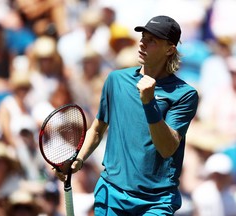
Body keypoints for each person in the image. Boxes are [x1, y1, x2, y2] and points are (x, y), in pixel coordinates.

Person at [56, 15, 199, 215]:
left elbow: (167, 148)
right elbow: (97, 129)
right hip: (111, 194)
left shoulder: (185, 94)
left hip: (156, 202)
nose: (142, 44)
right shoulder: (116, 80)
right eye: (143, 37)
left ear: (170, 49)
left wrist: (149, 103)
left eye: (152, 41)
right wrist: (78, 160)